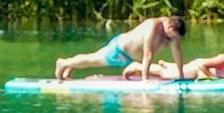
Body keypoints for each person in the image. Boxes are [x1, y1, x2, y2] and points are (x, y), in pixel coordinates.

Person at [55, 16, 187, 81]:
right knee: (93, 60)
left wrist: (181, 76)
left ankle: (70, 65)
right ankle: (64, 63)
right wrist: (145, 80)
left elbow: (178, 53)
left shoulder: (173, 35)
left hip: (130, 59)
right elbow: (148, 54)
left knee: (92, 59)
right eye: (174, 35)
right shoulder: (153, 26)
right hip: (120, 51)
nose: (174, 39)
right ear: (170, 27)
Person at [124, 37, 224, 81]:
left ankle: (167, 64)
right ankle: (137, 66)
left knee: (179, 69)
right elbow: (203, 66)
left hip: (197, 71)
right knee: (166, 74)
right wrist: (214, 79)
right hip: (197, 69)